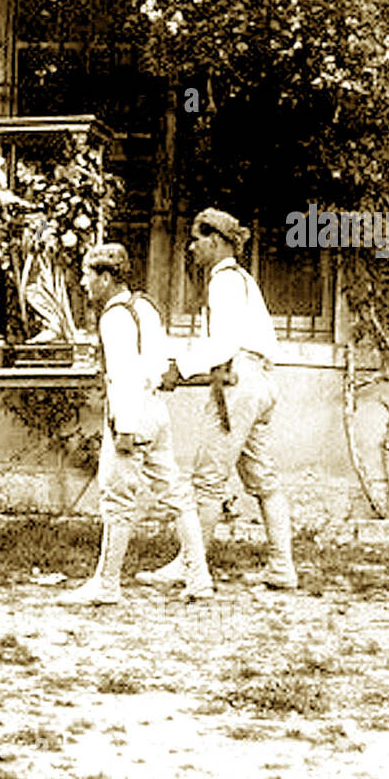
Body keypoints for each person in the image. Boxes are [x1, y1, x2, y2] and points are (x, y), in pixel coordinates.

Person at [147, 208, 298, 590]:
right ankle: (282, 567)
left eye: (197, 239)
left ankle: (189, 564)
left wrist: (178, 369)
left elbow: (224, 344)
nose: (192, 247)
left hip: (240, 383)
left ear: (215, 240)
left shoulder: (224, 282)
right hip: (259, 383)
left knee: (208, 480)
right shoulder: (243, 280)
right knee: (263, 479)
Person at [59, 244, 213, 606]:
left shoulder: (113, 316)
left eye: (88, 275)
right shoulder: (144, 305)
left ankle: (107, 584)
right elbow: (160, 362)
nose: (84, 283)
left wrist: (124, 428)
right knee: (175, 493)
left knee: (115, 501)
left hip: (132, 412)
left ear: (107, 277)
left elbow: (123, 376)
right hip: (156, 410)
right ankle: (199, 577)